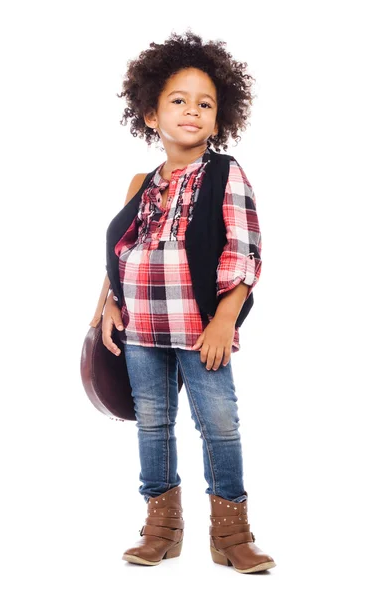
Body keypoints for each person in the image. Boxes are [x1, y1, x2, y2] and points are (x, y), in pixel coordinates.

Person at [97, 30, 276, 574]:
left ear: (219, 120)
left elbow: (244, 250)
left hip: (202, 330)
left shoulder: (226, 174)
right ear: (151, 114)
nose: (192, 111)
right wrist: (109, 305)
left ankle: (232, 533)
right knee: (153, 423)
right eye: (178, 100)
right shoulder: (141, 184)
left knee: (219, 423)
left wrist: (225, 319)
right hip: (141, 330)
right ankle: (161, 528)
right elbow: (121, 252)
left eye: (205, 104)